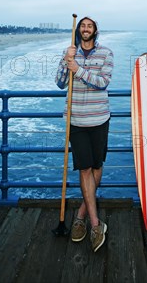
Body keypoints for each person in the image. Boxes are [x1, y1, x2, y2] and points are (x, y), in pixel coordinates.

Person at [55, 16, 114, 252]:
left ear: (95, 30)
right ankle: (95, 224)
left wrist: (78, 69)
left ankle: (79, 215)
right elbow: (60, 83)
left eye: (90, 26)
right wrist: (66, 62)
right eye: (83, 25)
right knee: (85, 168)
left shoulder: (107, 53)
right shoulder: (69, 52)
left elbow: (102, 83)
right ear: (79, 30)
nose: (86, 29)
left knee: (97, 167)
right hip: (76, 120)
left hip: (100, 118)